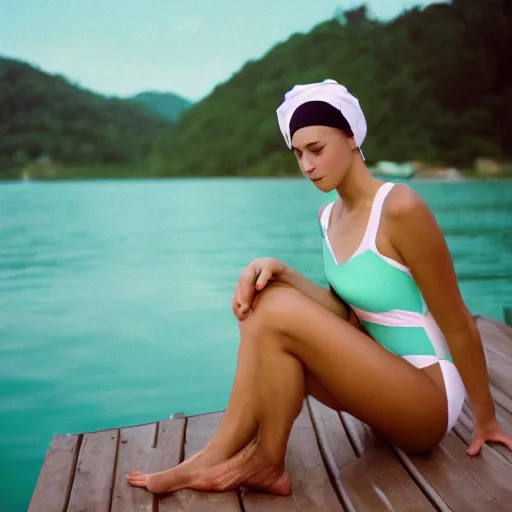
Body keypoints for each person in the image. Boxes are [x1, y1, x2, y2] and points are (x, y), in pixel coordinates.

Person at [127, 79, 512, 495]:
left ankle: (246, 460)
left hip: (428, 402)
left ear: (351, 138)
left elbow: (457, 322)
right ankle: (236, 459)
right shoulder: (329, 217)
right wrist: (283, 271)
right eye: (298, 154)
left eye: (316, 149)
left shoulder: (400, 207)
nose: (307, 165)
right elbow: (345, 315)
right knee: (266, 301)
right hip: (380, 392)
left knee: (274, 310)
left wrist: (486, 419)